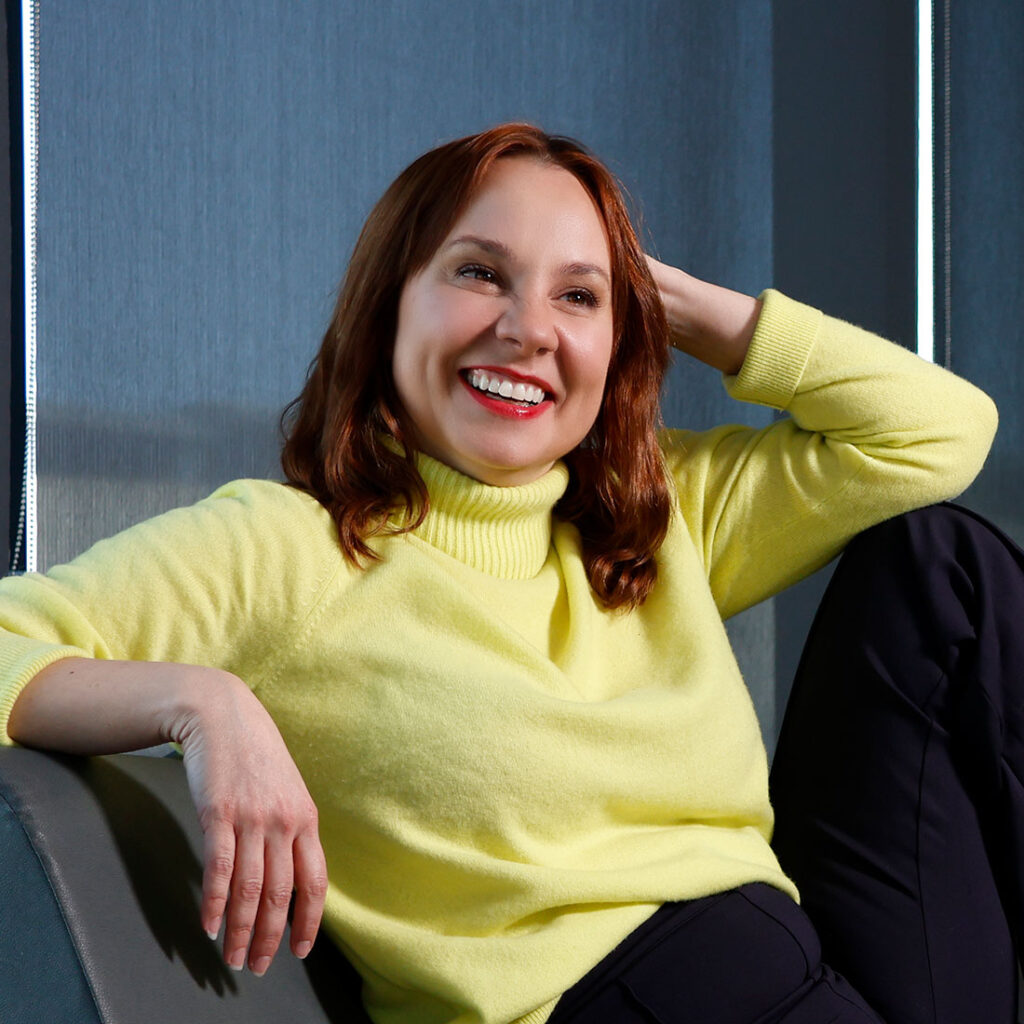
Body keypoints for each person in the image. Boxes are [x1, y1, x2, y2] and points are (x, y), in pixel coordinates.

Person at [0, 122, 1012, 1024]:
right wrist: (202, 702)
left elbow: (937, 433)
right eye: (479, 273)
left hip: (817, 964)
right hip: (611, 997)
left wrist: (664, 300)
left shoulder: (656, 516)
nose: (527, 328)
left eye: (577, 296)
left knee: (940, 564)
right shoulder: (287, 549)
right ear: (388, 303)